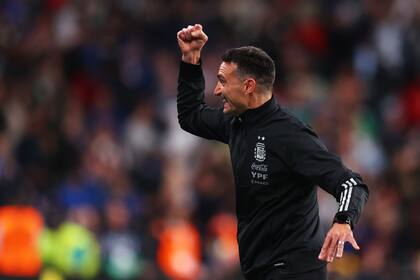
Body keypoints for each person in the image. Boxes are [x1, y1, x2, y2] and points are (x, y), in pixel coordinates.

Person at [176, 24, 369, 280]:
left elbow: (351, 183)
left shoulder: (290, 135)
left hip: (294, 270)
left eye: (223, 81)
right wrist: (191, 59)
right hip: (260, 268)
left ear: (248, 86)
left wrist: (343, 220)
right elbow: (191, 116)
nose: (217, 90)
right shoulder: (236, 123)